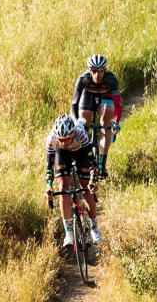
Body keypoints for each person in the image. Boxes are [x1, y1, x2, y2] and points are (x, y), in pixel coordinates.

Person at [44, 114, 102, 247]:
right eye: (61, 140)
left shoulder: (80, 134)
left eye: (67, 139)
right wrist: (49, 186)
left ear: (73, 134)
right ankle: (69, 233)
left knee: (87, 188)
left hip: (81, 152)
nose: (64, 143)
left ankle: (94, 228)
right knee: (63, 188)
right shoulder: (51, 140)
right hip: (62, 155)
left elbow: (92, 162)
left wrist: (93, 180)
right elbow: (49, 167)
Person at [71, 54, 122, 178]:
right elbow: (74, 104)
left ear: (105, 70)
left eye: (100, 71)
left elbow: (117, 104)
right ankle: (82, 157)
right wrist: (76, 121)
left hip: (107, 94)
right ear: (89, 70)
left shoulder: (111, 80)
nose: (97, 75)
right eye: (93, 71)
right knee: (83, 122)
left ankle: (102, 165)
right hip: (88, 93)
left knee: (105, 122)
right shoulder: (83, 79)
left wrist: (116, 122)